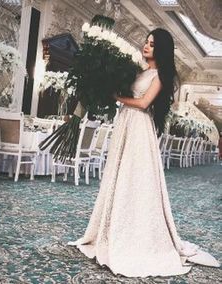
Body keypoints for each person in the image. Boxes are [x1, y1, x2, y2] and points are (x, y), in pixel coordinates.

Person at [68, 28, 219, 277]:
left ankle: (135, 232)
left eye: (152, 44)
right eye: (146, 42)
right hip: (126, 122)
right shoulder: (140, 71)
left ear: (160, 49)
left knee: (134, 176)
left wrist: (116, 97)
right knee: (118, 172)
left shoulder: (159, 75)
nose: (146, 46)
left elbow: (143, 103)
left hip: (139, 125)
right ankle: (111, 227)